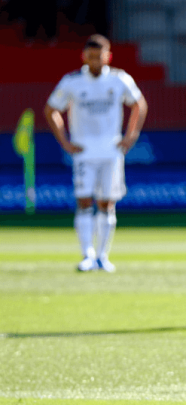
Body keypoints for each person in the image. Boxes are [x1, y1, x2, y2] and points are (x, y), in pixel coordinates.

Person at [44, 35, 148, 273]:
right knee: (83, 201)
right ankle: (86, 255)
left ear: (107, 56)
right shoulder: (72, 82)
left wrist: (131, 135)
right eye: (90, 57)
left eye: (99, 57)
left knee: (106, 203)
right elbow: (51, 109)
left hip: (111, 151)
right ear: (84, 57)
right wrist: (65, 142)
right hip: (84, 151)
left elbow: (139, 104)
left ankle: (103, 256)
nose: (95, 61)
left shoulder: (119, 79)